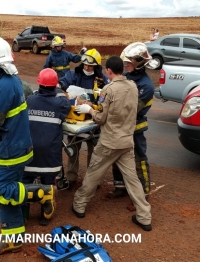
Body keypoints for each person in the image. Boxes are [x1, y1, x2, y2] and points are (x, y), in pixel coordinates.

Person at [0, 36, 55, 255]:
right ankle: (13, 238)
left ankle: (42, 193)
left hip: (10, 148)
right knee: (5, 194)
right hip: (9, 145)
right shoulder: (5, 79)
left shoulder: (5, 84)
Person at [72, 55, 152, 231]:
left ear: (108, 71)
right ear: (122, 70)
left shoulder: (108, 90)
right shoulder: (133, 87)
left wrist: (89, 109)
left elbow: (101, 117)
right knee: (132, 180)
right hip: (126, 142)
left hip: (109, 142)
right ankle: (144, 216)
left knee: (93, 173)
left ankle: (79, 204)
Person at [22, 68, 71, 226]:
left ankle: (23, 214)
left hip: (29, 154)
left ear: (39, 84)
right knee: (48, 184)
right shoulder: (61, 103)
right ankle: (45, 214)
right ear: (55, 85)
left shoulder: (29, 100)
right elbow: (66, 101)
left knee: (24, 183)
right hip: (50, 157)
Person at [110, 42, 157, 198]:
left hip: (136, 126)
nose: (125, 65)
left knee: (139, 158)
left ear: (138, 63)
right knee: (117, 156)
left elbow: (131, 110)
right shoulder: (126, 77)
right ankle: (120, 186)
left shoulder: (146, 86)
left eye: (128, 62)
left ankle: (144, 191)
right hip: (121, 125)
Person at [58, 48, 110, 189]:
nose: (87, 68)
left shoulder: (102, 80)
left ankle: (93, 180)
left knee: (94, 153)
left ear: (97, 66)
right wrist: (70, 98)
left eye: (90, 66)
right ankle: (71, 177)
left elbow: (107, 101)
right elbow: (60, 86)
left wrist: (93, 107)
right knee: (72, 150)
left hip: (93, 121)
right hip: (75, 120)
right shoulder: (73, 75)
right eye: (85, 65)